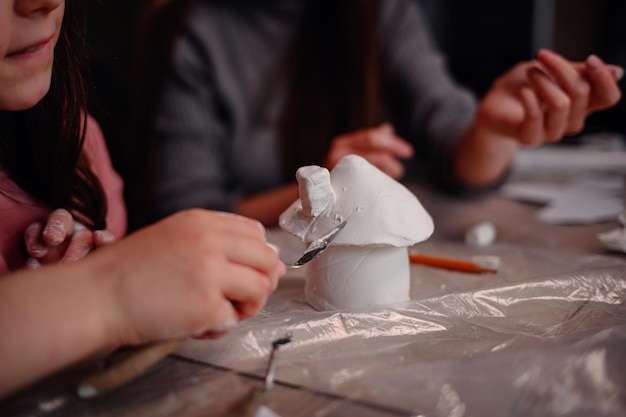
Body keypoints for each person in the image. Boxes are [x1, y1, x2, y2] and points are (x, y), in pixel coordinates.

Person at [0, 0, 285, 398]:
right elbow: (183, 198)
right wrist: (105, 291)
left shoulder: (72, 138)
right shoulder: (197, 28)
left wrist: (69, 275)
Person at [130, 0, 622, 229]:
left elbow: (460, 158)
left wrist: (493, 127)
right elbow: (182, 214)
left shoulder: (379, 11)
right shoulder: (188, 28)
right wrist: (321, 186)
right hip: (254, 275)